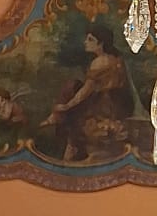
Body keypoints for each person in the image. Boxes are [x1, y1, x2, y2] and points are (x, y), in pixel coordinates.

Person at [45, 25, 134, 161]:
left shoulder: (99, 62)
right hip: (114, 104)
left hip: (102, 106)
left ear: (101, 43)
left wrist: (67, 106)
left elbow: (85, 92)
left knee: (72, 96)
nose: (85, 42)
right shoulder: (116, 59)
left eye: (90, 39)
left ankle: (59, 125)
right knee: (73, 86)